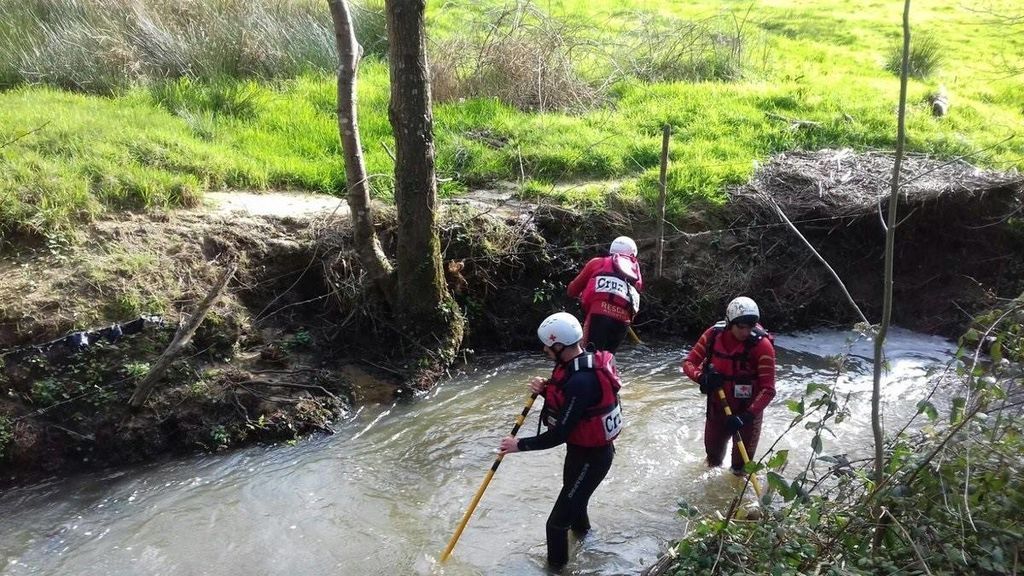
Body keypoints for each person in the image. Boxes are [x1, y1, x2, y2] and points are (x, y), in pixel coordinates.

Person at [499, 312, 623, 572]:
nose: (544, 350)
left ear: (559, 346)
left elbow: (559, 434)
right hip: (580, 451)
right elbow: (570, 405)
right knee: (575, 508)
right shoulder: (572, 364)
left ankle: (557, 570)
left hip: (594, 457)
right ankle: (587, 545)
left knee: (555, 524)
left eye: (547, 345)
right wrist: (545, 390)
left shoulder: (582, 380)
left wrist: (518, 445)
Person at [681, 296, 776, 476]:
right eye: (741, 327)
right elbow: (688, 363)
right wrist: (702, 378)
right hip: (718, 409)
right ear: (729, 323)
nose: (746, 331)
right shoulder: (712, 336)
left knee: (740, 470)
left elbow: (768, 389)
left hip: (747, 415)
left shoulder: (762, 346)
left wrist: (746, 417)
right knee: (712, 461)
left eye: (751, 326)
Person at [566, 236, 643, 353]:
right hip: (622, 323)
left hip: (597, 316)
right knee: (606, 359)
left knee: (589, 356)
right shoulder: (636, 275)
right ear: (633, 255)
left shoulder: (596, 263)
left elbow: (572, 290)